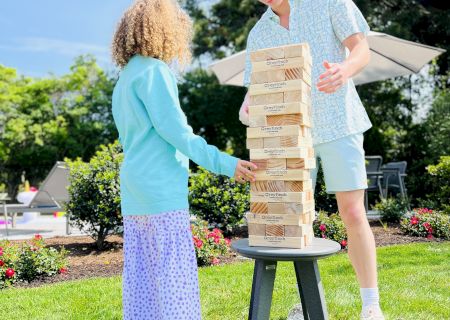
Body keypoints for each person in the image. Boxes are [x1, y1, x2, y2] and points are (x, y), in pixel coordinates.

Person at [111, 1, 257, 319]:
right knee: (175, 281)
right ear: (164, 30)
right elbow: (179, 134)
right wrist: (226, 164)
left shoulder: (124, 79)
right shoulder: (155, 72)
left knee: (143, 281)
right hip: (161, 190)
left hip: (134, 191)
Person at [239, 1, 384, 319]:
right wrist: (249, 104)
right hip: (291, 136)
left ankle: (371, 304)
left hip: (339, 123)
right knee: (294, 220)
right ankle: (304, 302)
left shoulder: (330, 1)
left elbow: (361, 49)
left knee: (353, 212)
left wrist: (344, 70)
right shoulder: (259, 33)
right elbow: (257, 86)